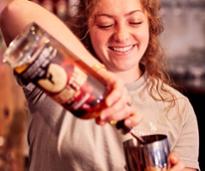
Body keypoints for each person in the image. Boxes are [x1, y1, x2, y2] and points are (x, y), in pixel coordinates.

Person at [0, 0, 200, 171]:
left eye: (135, 21)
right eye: (105, 24)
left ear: (150, 24)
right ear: (87, 27)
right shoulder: (61, 78)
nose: (121, 35)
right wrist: (96, 72)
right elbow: (13, 11)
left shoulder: (178, 107)